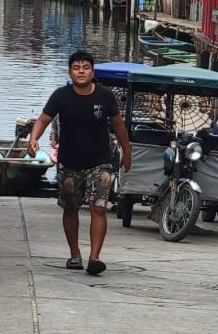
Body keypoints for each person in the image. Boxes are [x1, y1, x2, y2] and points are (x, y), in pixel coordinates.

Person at [28, 50, 132, 276]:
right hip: (69, 163)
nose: (81, 71)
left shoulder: (105, 96)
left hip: (100, 162)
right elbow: (43, 119)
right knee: (71, 208)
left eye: (85, 68)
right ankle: (75, 254)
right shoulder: (60, 96)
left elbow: (119, 125)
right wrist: (33, 138)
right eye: (77, 68)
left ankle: (94, 258)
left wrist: (127, 150)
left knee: (98, 208)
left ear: (92, 72)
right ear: (70, 72)